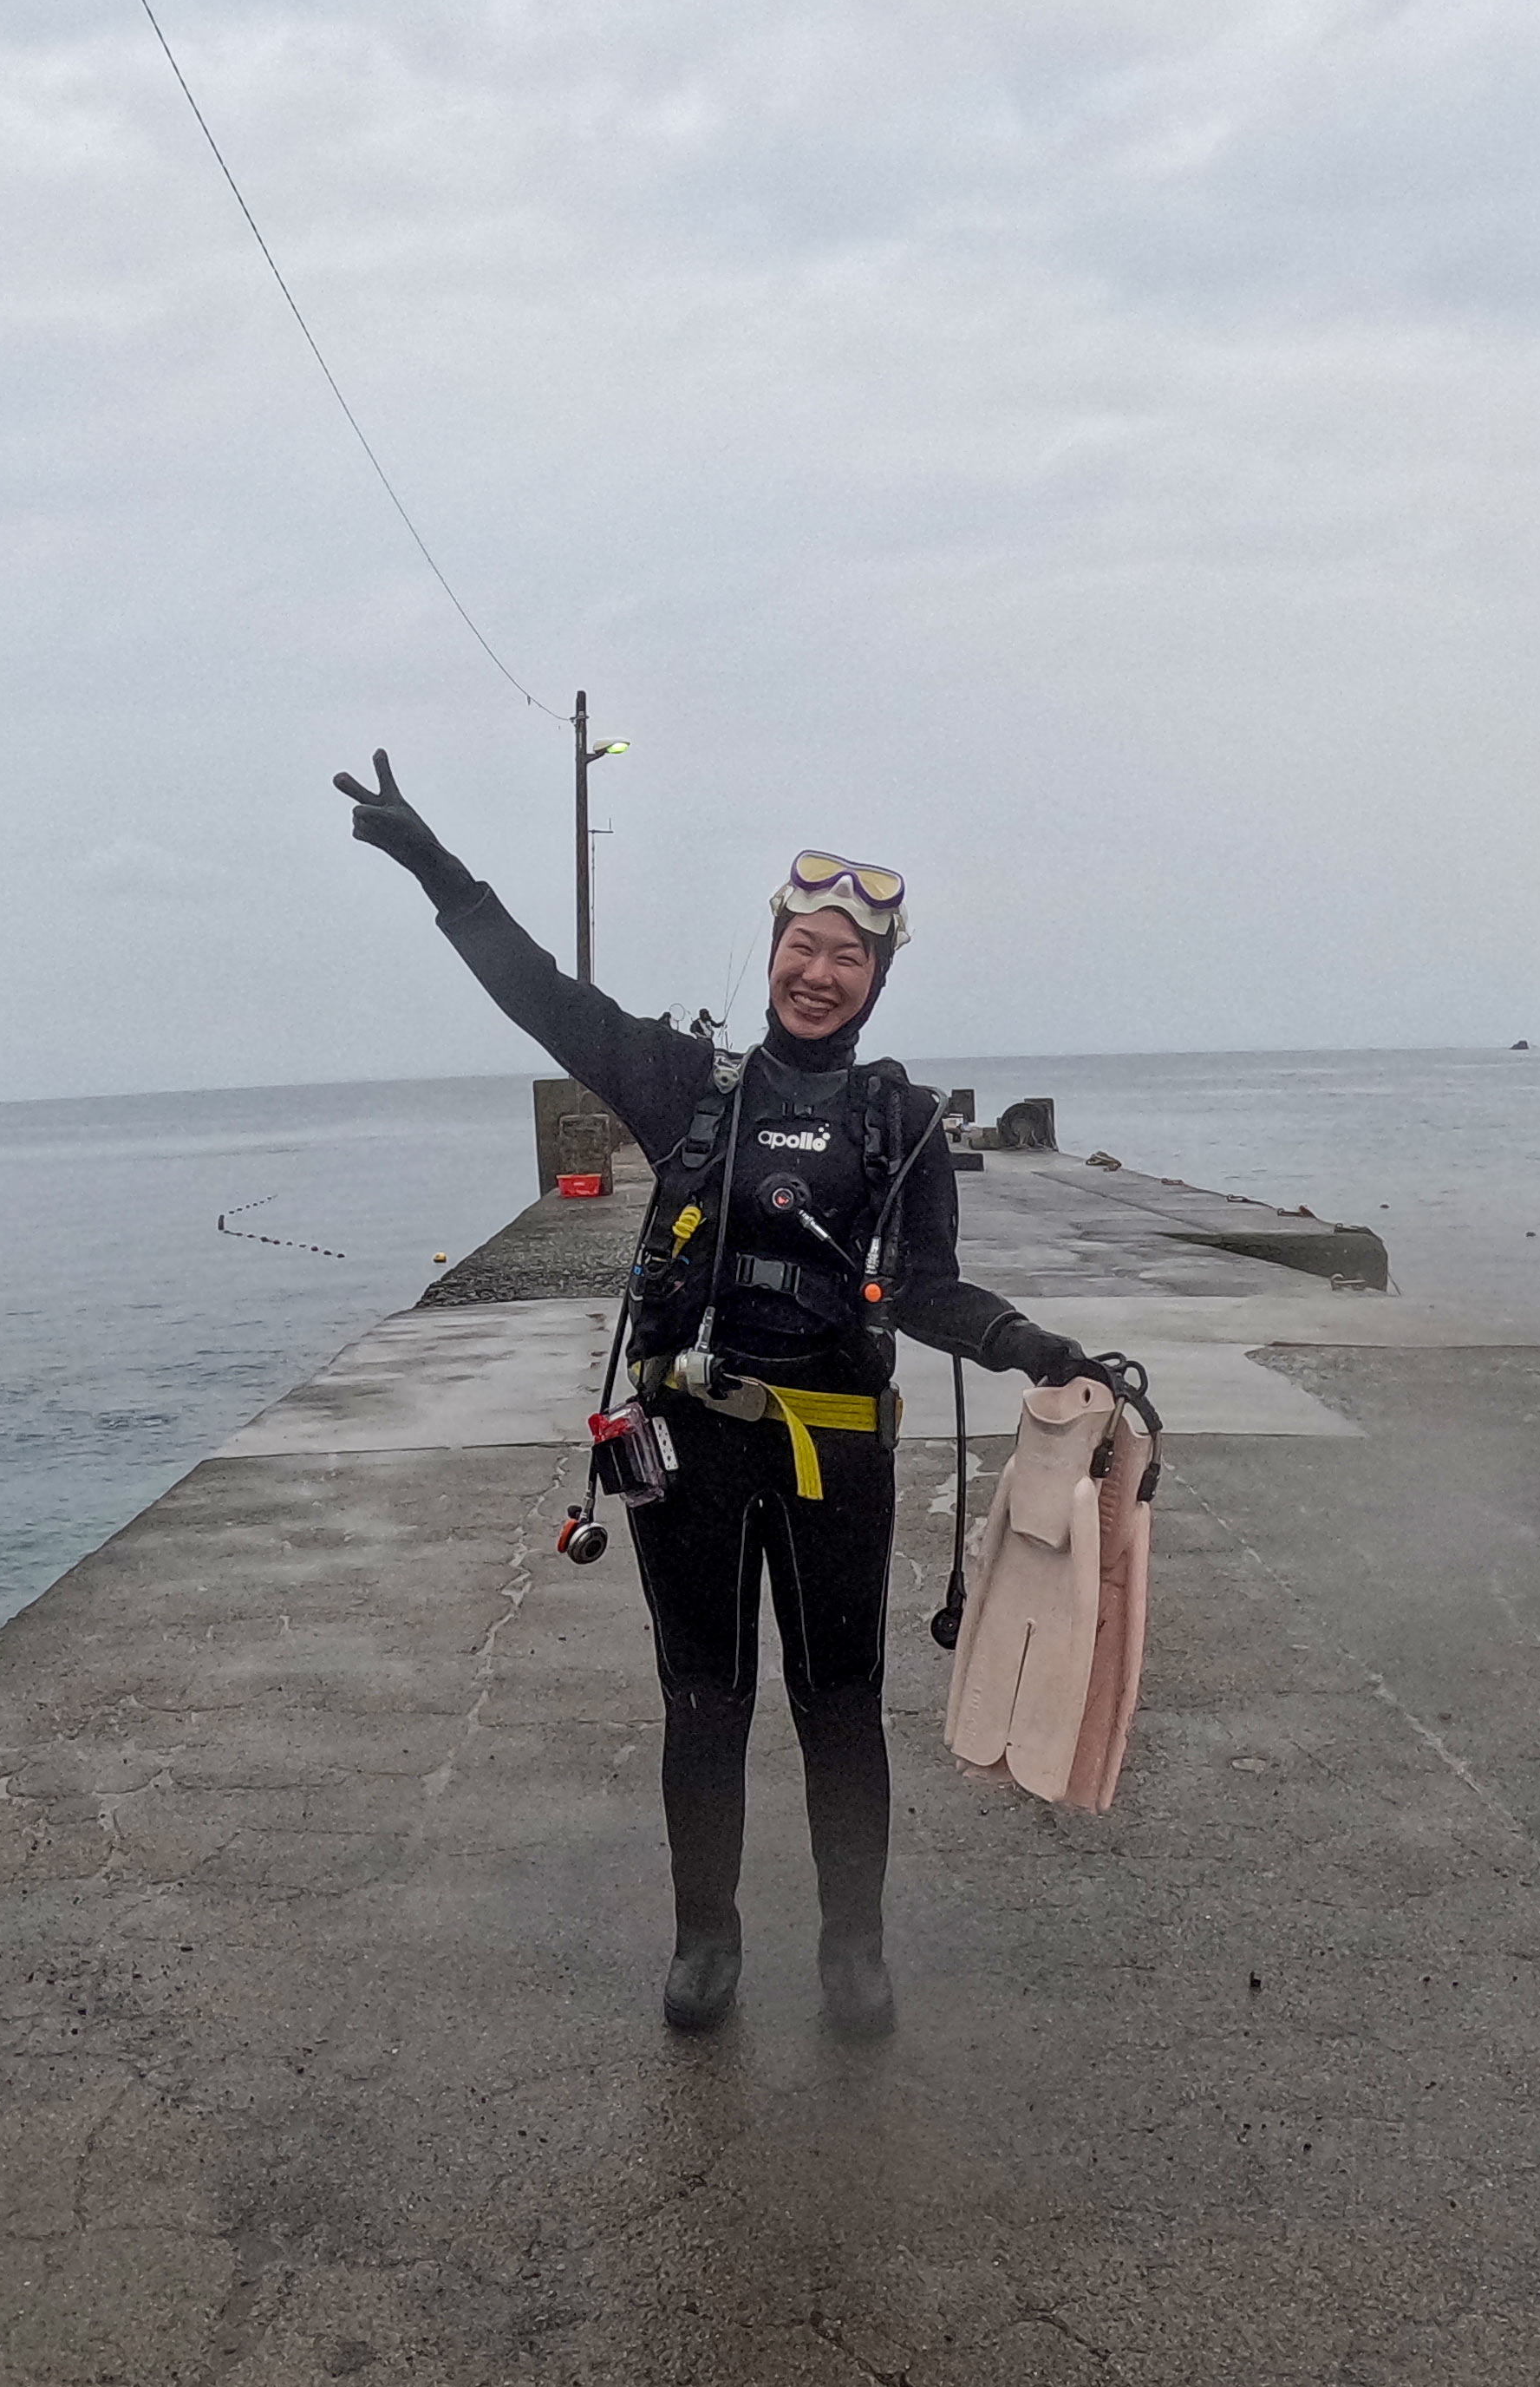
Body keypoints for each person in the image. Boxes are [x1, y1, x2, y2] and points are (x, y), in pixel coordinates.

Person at [335, 752, 1126, 2040]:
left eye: (848, 958)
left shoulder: (902, 1124)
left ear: (877, 979)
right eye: (802, 947)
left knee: (839, 1704)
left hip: (835, 1460)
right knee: (703, 1698)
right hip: (687, 1451)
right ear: (771, 954)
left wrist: (1032, 1345)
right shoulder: (684, 1087)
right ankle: (706, 1936)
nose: (820, 973)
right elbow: (543, 996)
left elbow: (927, 1289)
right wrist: (435, 867)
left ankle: (853, 1947)